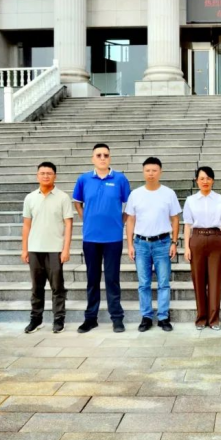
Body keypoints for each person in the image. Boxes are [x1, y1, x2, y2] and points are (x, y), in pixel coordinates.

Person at [73, 143, 131, 333]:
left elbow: (129, 206)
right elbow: (77, 203)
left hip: (113, 238)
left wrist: (120, 222)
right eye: (98, 155)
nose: (102, 158)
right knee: (92, 279)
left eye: (106, 155)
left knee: (112, 279)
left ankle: (117, 318)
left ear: (110, 158)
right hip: (91, 238)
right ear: (93, 158)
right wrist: (87, 218)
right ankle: (91, 318)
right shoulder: (83, 179)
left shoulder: (120, 179)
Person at [125, 157, 181, 333]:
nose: (151, 174)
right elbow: (130, 220)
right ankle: (146, 316)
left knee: (163, 282)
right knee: (144, 283)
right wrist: (130, 244)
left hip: (162, 243)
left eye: (154, 170)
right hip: (141, 243)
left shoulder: (168, 193)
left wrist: (174, 242)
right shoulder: (135, 194)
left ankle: (163, 317)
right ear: (143, 172)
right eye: (147, 170)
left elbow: (175, 219)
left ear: (160, 172)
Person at [21, 162, 74, 334]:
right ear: (37, 176)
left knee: (57, 287)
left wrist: (66, 249)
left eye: (49, 173)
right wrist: (24, 249)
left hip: (55, 249)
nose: (45, 176)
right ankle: (36, 319)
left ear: (55, 176)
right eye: (42, 173)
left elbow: (68, 224)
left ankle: (59, 319)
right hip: (35, 248)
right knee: (36, 287)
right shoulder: (30, 198)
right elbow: (26, 225)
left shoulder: (63, 197)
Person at [183, 166, 221, 331]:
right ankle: (201, 318)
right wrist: (186, 247)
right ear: (197, 180)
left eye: (208, 178)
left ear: (213, 180)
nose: (205, 181)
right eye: (202, 178)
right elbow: (187, 225)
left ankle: (214, 319)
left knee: (215, 280)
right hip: (197, 239)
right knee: (198, 280)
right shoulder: (190, 200)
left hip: (216, 239)